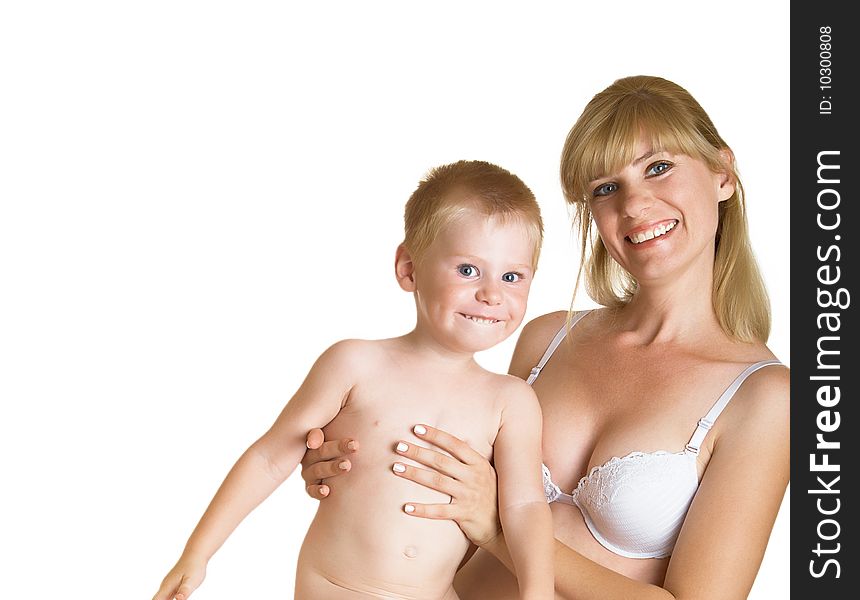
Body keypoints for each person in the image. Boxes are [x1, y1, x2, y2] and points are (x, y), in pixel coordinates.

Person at [301, 76, 790, 599]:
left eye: (659, 167)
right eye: (606, 188)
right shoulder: (548, 338)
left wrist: (499, 527)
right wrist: (356, 465)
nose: (634, 204)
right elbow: (447, 512)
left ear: (723, 173)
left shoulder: (763, 398)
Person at [153, 160, 555, 600]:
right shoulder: (356, 364)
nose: (492, 294)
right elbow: (270, 458)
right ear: (409, 269)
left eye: (512, 276)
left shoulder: (510, 401)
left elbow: (524, 507)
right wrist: (198, 553)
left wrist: (535, 595)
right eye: (467, 270)